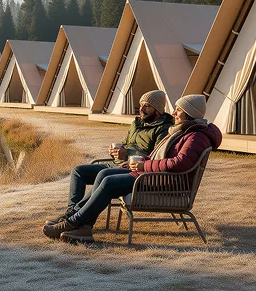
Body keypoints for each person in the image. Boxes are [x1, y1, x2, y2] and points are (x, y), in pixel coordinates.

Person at [43, 93, 222, 243]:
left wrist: (144, 164)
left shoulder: (196, 136)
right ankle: (84, 227)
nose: (174, 112)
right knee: (105, 173)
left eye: (179, 110)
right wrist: (136, 161)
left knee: (108, 183)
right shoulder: (185, 131)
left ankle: (72, 222)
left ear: (190, 113)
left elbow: (178, 164)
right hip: (154, 175)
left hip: (164, 181)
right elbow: (158, 156)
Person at [44, 90, 172, 227]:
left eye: (147, 106)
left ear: (157, 109)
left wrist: (127, 155)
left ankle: (73, 218)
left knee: (103, 175)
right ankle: (71, 213)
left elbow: (155, 155)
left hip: (130, 168)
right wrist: (115, 152)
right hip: (116, 163)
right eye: (141, 105)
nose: (141, 109)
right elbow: (126, 143)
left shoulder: (163, 129)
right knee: (78, 171)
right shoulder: (136, 123)